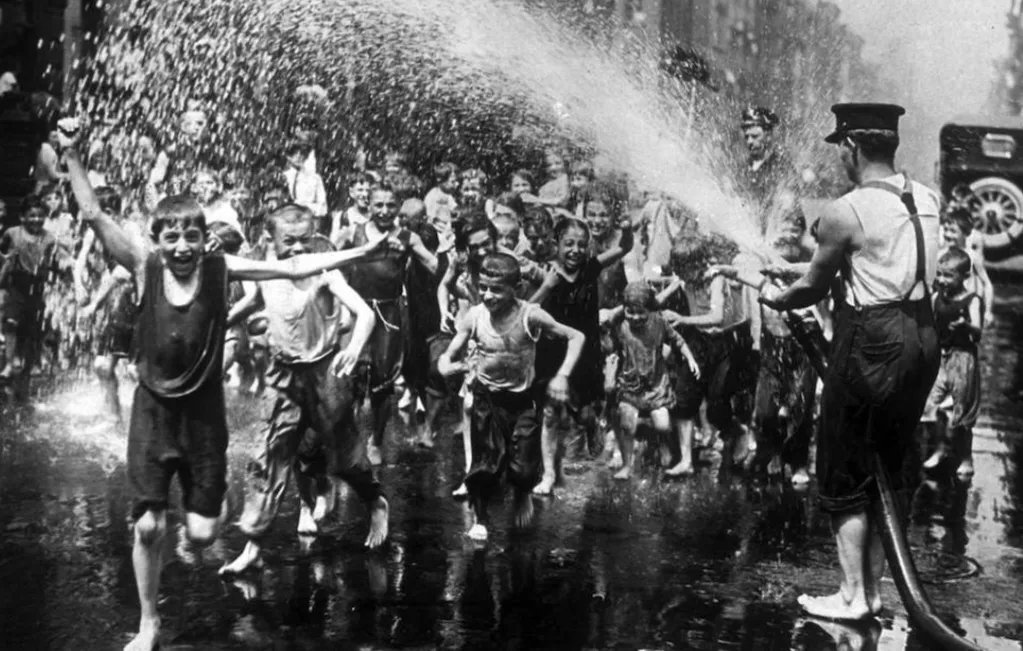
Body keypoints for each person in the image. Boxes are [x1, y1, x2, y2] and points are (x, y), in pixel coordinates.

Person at [61, 121, 386, 651]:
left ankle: (212, 515)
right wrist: (73, 154)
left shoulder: (221, 267)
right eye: (172, 237)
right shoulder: (143, 266)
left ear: (204, 237)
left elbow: (296, 265)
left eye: (193, 235)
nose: (184, 246)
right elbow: (95, 214)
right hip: (152, 414)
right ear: (157, 239)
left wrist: (355, 255)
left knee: (205, 534)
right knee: (146, 526)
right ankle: (148, 624)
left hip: (205, 420)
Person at [759, 103, 940, 621]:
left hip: (873, 342)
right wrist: (793, 266)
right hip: (922, 339)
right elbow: (879, 261)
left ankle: (851, 596)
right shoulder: (925, 198)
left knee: (844, 464)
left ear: (852, 148)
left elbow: (814, 286)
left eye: (841, 149)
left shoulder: (845, 209)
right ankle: (877, 591)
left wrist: (777, 296)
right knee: (889, 462)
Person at [219, 203, 388, 576]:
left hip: (325, 372)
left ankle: (375, 501)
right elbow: (252, 302)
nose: (297, 249)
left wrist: (355, 348)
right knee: (270, 454)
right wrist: (219, 326)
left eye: (304, 240)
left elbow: (365, 314)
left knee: (345, 455)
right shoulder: (266, 271)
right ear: (269, 238)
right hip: (283, 375)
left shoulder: (325, 270)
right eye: (288, 241)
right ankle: (254, 544)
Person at [437, 251, 584, 541]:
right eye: (483, 288)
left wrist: (563, 375)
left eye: (496, 290)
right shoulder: (475, 316)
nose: (488, 296)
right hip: (487, 398)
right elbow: (448, 354)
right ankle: (480, 518)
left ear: (516, 289)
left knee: (524, 467)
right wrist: (446, 365)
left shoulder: (530, 314)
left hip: (522, 400)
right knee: (484, 466)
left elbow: (576, 336)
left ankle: (522, 494)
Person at [530, 216, 633, 494]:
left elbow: (625, 247)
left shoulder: (590, 268)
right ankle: (549, 475)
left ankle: (591, 427)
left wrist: (626, 227)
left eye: (581, 245)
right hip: (553, 355)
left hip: (586, 355)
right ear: (557, 244)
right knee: (550, 413)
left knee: (585, 413)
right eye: (569, 244)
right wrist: (547, 286)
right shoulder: (547, 274)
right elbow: (525, 311)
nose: (575, 250)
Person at [345, 183, 438, 465]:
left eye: (390, 205)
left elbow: (435, 266)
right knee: (353, 375)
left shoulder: (407, 236)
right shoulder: (354, 231)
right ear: (369, 205)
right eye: (378, 205)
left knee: (383, 381)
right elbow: (333, 262)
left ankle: (375, 439)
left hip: (389, 313)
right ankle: (350, 439)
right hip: (359, 310)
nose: (384, 211)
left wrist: (413, 250)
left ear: (398, 208)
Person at [607, 282, 699, 480]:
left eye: (641, 312)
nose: (635, 317)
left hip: (656, 384)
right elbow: (609, 316)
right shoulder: (620, 323)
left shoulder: (659, 322)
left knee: (663, 425)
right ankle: (627, 465)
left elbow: (678, 340)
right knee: (627, 423)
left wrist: (690, 359)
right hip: (630, 383)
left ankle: (658, 443)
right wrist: (629, 297)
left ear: (650, 310)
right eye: (630, 312)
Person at [920, 247, 982, 478]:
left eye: (949, 275)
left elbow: (978, 334)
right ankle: (940, 448)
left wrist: (967, 327)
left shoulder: (972, 300)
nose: (942, 280)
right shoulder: (937, 298)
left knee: (961, 410)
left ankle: (966, 456)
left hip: (963, 359)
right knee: (930, 406)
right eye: (940, 274)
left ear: (964, 276)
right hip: (942, 357)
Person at [0, 196, 58, 379]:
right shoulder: (12, 233)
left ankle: (30, 367)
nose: (36, 220)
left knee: (31, 330)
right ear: (22, 217)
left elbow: (56, 258)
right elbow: (3, 252)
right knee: (10, 323)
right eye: (32, 216)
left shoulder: (48, 238)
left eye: (40, 216)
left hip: (38, 288)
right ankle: (10, 363)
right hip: (16, 285)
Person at [740, 106, 801, 239]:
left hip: (777, 243)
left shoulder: (783, 169)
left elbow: (789, 215)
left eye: (755, 136)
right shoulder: (742, 169)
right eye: (747, 137)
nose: (749, 141)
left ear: (768, 136)